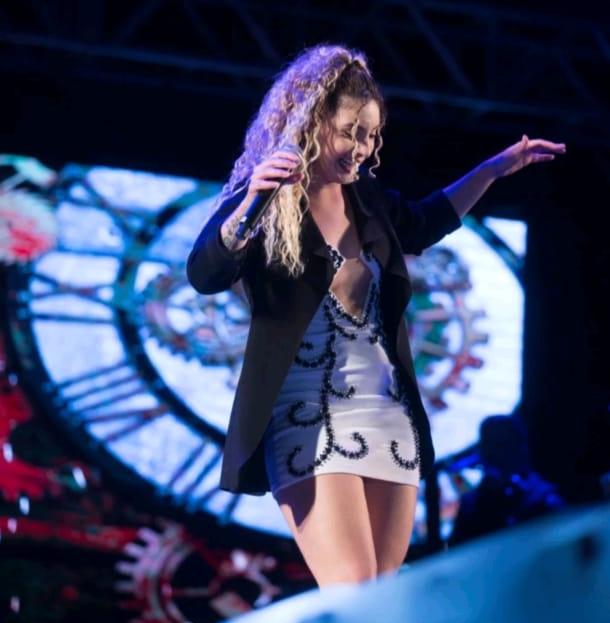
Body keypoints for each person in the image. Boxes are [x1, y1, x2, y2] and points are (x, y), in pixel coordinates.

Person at [186, 44, 566, 588]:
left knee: (384, 599)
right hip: (306, 415)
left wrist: (494, 170)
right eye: (351, 132)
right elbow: (206, 272)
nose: (363, 149)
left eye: (371, 135)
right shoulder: (265, 199)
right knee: (354, 590)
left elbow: (426, 221)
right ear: (313, 121)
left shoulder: (367, 201)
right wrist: (251, 204)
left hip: (388, 416)